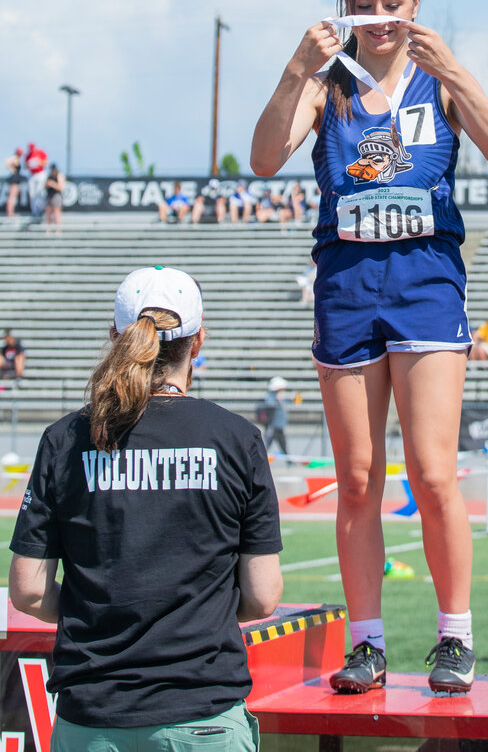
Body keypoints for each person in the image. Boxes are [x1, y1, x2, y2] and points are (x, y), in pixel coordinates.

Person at [251, 0, 488, 695]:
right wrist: (294, 68)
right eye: (364, 4)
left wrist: (458, 69)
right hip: (346, 285)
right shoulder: (328, 85)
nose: (377, 18)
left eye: (391, 4)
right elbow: (265, 158)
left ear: (414, 8)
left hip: (425, 282)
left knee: (433, 474)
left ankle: (453, 637)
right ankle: (366, 644)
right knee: (359, 478)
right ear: (345, 7)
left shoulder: (438, 81)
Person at [9, 265, 283, 751]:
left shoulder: (63, 440)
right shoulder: (238, 439)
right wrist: (198, 616)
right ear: (198, 342)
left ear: (115, 335)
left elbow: (29, 593)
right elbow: (261, 598)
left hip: (91, 715)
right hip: (202, 714)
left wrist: (100, 614)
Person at [261, 376, 290, 455]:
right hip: (273, 425)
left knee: (282, 443)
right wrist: (277, 400)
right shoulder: (270, 396)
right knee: (267, 444)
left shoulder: (280, 396)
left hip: (279, 426)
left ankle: (289, 460)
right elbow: (269, 404)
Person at [25, 142, 48, 218]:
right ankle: (34, 210)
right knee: (32, 193)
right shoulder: (28, 155)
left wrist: (38, 162)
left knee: (39, 191)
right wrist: (29, 164)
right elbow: (25, 166)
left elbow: (46, 163)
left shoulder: (40, 152)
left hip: (40, 173)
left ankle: (41, 209)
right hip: (32, 175)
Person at [44, 163, 65, 233]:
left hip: (56, 196)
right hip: (49, 195)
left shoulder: (59, 176)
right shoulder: (49, 176)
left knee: (56, 213)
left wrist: (52, 184)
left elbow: (60, 187)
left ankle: (58, 230)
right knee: (48, 213)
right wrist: (48, 184)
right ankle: (48, 230)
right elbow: (44, 186)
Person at [4, 148, 24, 217]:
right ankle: (10, 213)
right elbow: (6, 162)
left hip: (17, 179)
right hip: (14, 179)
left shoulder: (17, 159)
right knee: (11, 197)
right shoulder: (14, 158)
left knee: (14, 197)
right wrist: (11, 169)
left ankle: (11, 212)